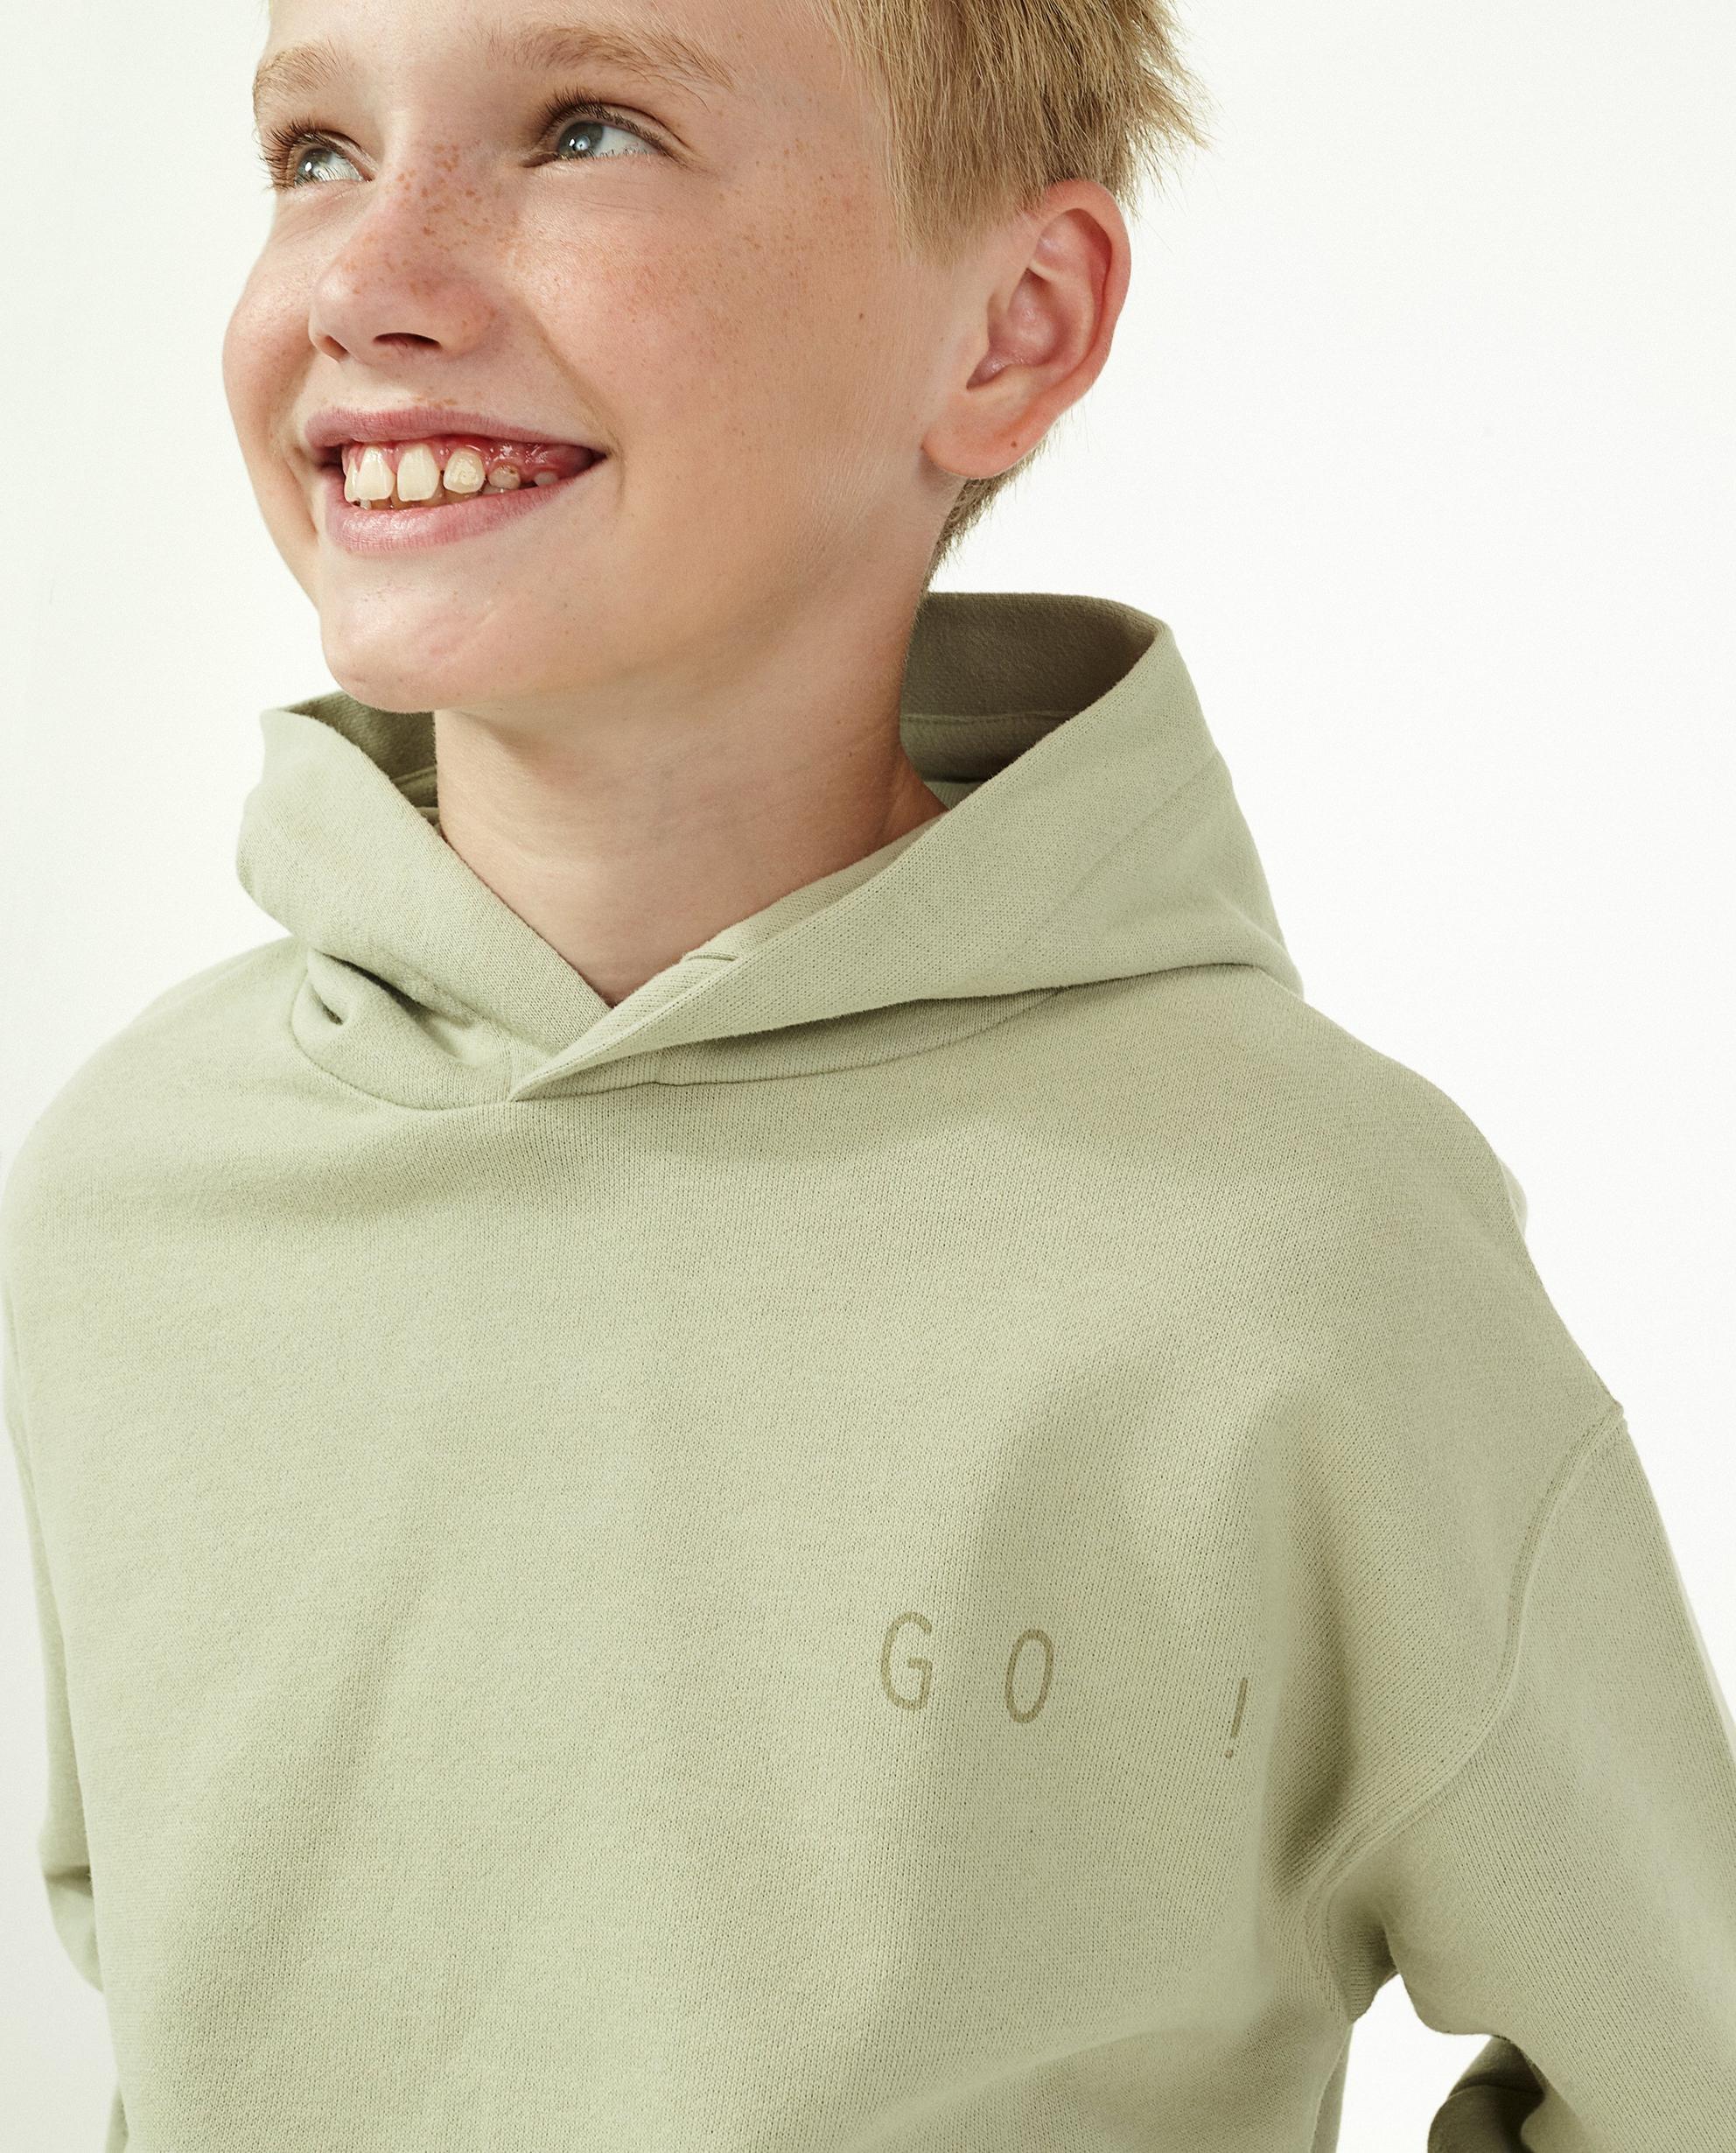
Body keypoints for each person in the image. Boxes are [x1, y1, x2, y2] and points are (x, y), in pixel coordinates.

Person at [4, 0, 1732, 2147]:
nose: (367, 281)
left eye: (586, 129)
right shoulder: (136, 1191)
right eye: (315, 155)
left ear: (1010, 326)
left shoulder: (1292, 1249)